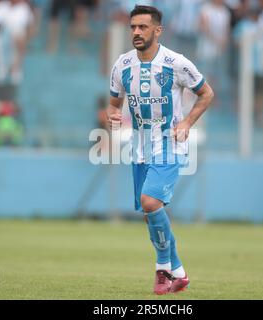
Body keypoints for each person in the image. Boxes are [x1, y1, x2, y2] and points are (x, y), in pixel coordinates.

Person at [107, 5, 214, 295]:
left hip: (168, 145)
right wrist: (113, 115)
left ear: (158, 30)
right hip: (139, 148)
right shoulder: (122, 64)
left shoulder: (176, 62)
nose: (137, 32)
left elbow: (206, 93)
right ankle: (177, 272)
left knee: (150, 202)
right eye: (133, 27)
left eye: (143, 27)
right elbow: (114, 102)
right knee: (148, 211)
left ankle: (162, 269)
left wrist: (188, 123)